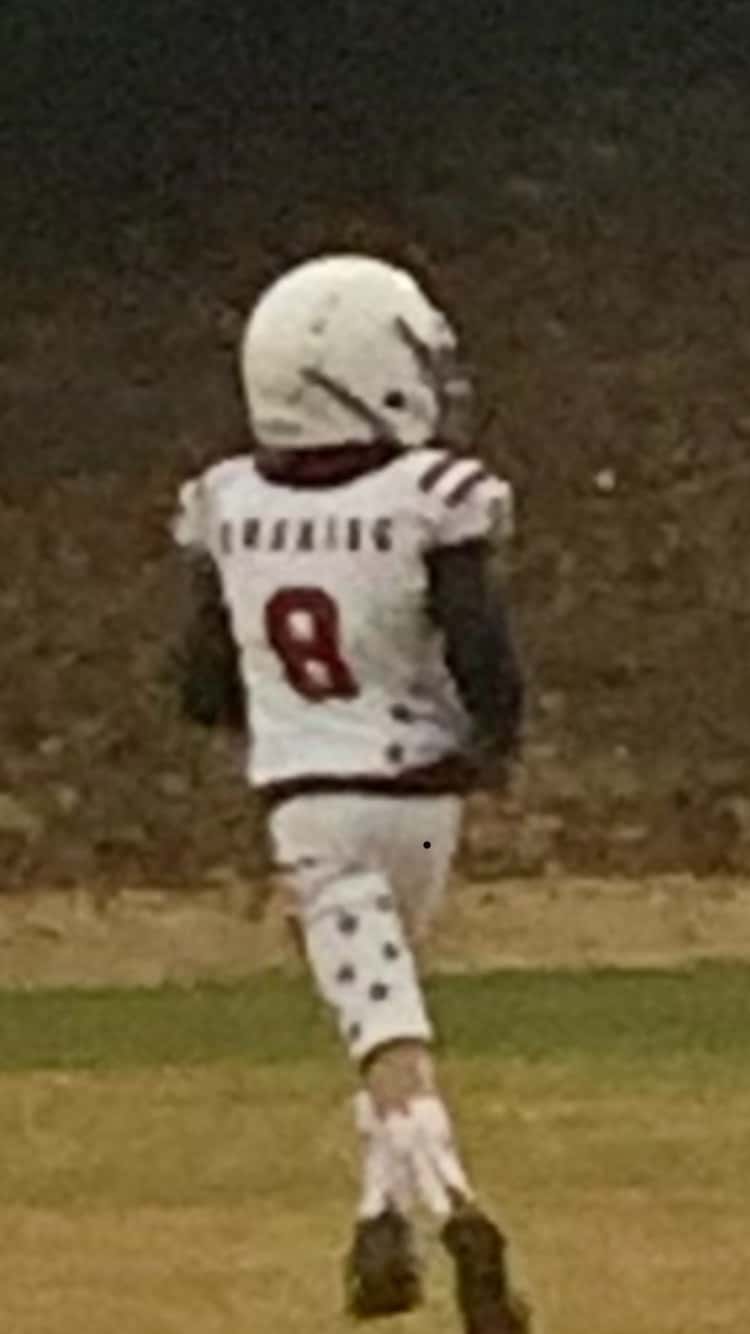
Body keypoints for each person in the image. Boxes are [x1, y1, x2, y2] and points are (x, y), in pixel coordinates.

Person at [171, 254, 530, 1333]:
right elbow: (482, 651)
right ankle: (377, 1223)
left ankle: (458, 1209)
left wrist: (279, 721)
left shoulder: (225, 502)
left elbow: (200, 681)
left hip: (311, 798)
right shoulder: (433, 498)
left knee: (385, 1035)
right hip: (423, 794)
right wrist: (495, 743)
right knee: (389, 1005)